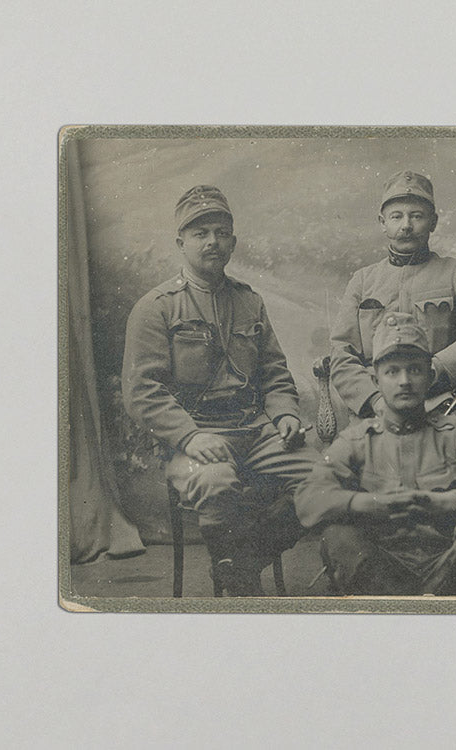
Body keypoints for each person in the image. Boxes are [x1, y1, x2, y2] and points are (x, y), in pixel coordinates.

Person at [122, 185, 314, 596]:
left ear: (233, 241)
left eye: (221, 232)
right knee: (214, 483)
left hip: (256, 432)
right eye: (200, 233)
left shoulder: (250, 302)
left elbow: (275, 374)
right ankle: (241, 587)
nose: (212, 241)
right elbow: (142, 390)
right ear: (181, 243)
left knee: (326, 477)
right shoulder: (156, 307)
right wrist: (190, 435)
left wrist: (284, 416)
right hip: (190, 440)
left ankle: (241, 562)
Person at [296, 313, 456, 595]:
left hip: (451, 568)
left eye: (414, 370)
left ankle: (431, 607)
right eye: (392, 371)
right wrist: (367, 503)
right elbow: (308, 498)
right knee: (338, 536)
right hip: (379, 570)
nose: (404, 381)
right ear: (375, 379)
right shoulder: (356, 440)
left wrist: (448, 502)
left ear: (430, 376)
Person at [329, 170, 456, 420]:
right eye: (396, 216)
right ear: (383, 223)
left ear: (433, 222)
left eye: (416, 216)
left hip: (441, 405)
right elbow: (342, 352)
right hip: (376, 410)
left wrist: (437, 368)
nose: (406, 225)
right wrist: (373, 400)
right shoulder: (363, 281)